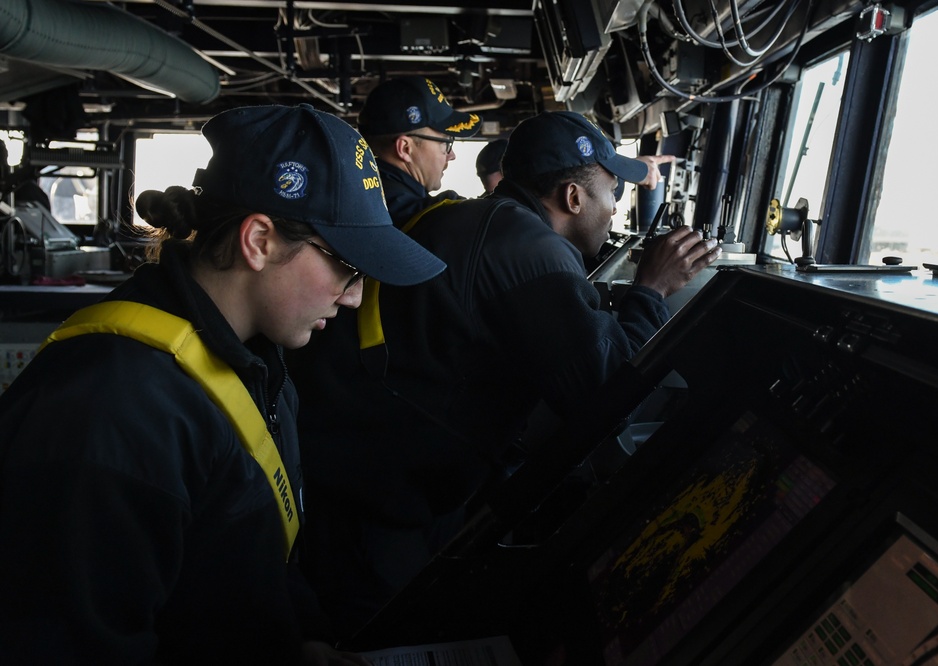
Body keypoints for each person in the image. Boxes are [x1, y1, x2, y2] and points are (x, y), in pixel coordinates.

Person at [0, 104, 445, 665]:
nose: (355, 296)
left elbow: (253, 560)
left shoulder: (261, 365)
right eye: (346, 266)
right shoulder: (106, 415)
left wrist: (302, 640)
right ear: (258, 240)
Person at [287, 110, 721, 636]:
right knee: (379, 637)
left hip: (361, 461)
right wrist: (651, 290)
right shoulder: (529, 250)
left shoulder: (479, 219)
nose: (615, 209)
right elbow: (607, 397)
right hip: (379, 497)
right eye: (612, 193)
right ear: (573, 198)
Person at [356, 75, 480, 225]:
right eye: (446, 143)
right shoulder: (415, 216)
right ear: (405, 149)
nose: (451, 155)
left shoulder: (362, 195)